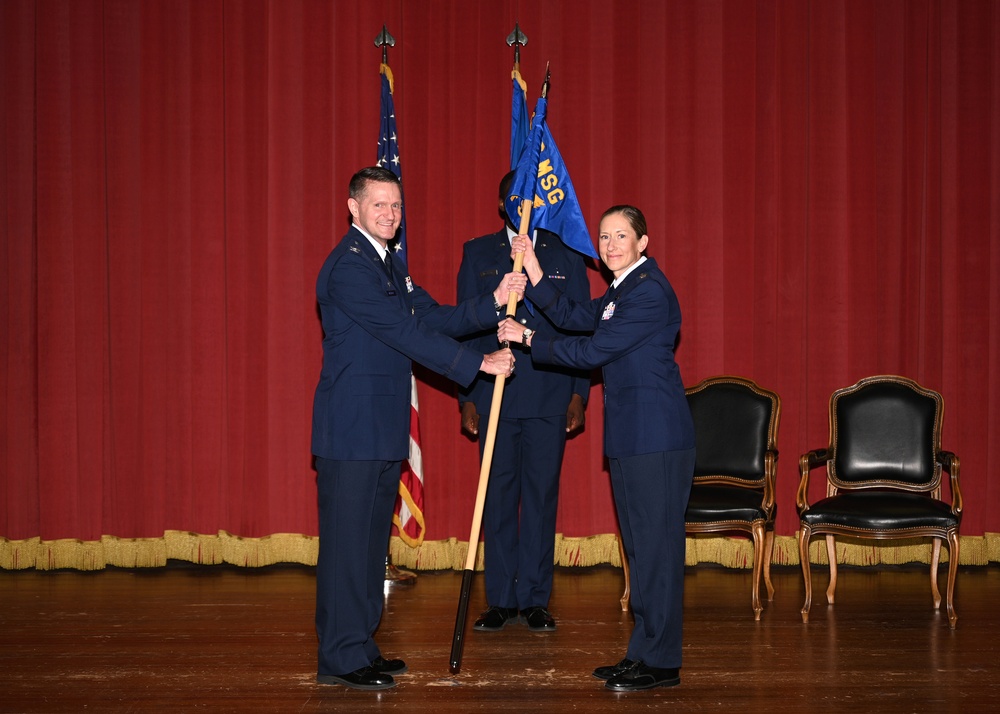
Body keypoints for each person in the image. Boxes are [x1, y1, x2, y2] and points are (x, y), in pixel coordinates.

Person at [311, 166, 526, 691]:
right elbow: (403, 332)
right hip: (351, 431)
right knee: (347, 547)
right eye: (379, 204)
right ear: (353, 207)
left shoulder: (389, 265)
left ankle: (361, 645)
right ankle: (340, 656)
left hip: (381, 429)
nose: (390, 214)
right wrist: (478, 365)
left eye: (396, 206)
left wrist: (495, 300)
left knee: (368, 547)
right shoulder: (350, 267)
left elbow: (431, 316)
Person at [498, 205, 695, 692]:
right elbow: (571, 316)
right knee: (640, 550)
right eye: (604, 237)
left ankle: (662, 661)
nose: (609, 246)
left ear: (643, 242)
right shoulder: (620, 291)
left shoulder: (648, 292)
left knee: (656, 552)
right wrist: (537, 273)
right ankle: (643, 653)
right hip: (632, 438)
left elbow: (590, 352)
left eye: (621, 236)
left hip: (657, 440)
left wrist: (526, 337)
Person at [457, 171, 591, 634]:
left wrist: (579, 392)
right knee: (497, 498)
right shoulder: (477, 252)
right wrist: (468, 396)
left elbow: (580, 327)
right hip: (494, 393)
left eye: (530, 197)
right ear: (501, 203)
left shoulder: (565, 253)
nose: (522, 204)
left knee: (539, 496)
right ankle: (499, 599)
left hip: (551, 392)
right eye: (514, 198)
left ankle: (534, 597)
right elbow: (466, 328)